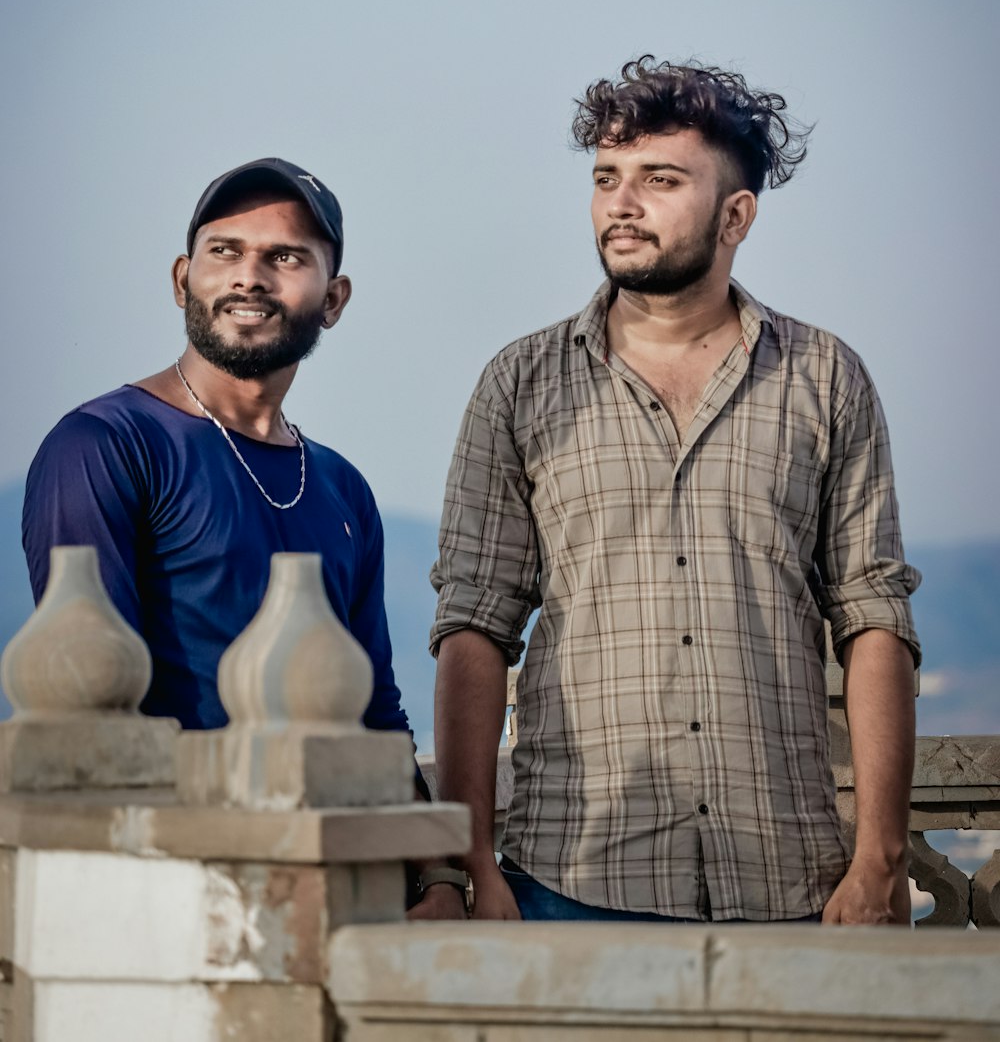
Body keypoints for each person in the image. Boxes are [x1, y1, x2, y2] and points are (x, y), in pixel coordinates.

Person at [420, 58, 921, 925]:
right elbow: (475, 624)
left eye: (659, 180)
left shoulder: (825, 378)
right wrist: (468, 862)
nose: (622, 203)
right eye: (607, 179)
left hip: (787, 880)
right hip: (568, 876)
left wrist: (878, 856)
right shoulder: (521, 383)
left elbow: (873, 616)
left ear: (737, 214)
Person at [22, 158, 413, 745]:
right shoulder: (106, 446)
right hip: (176, 829)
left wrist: (428, 831)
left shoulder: (343, 488)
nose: (249, 277)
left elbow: (376, 712)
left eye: (285, 257)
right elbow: (92, 703)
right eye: (225, 251)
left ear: (333, 299)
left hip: (323, 828)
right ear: (183, 280)